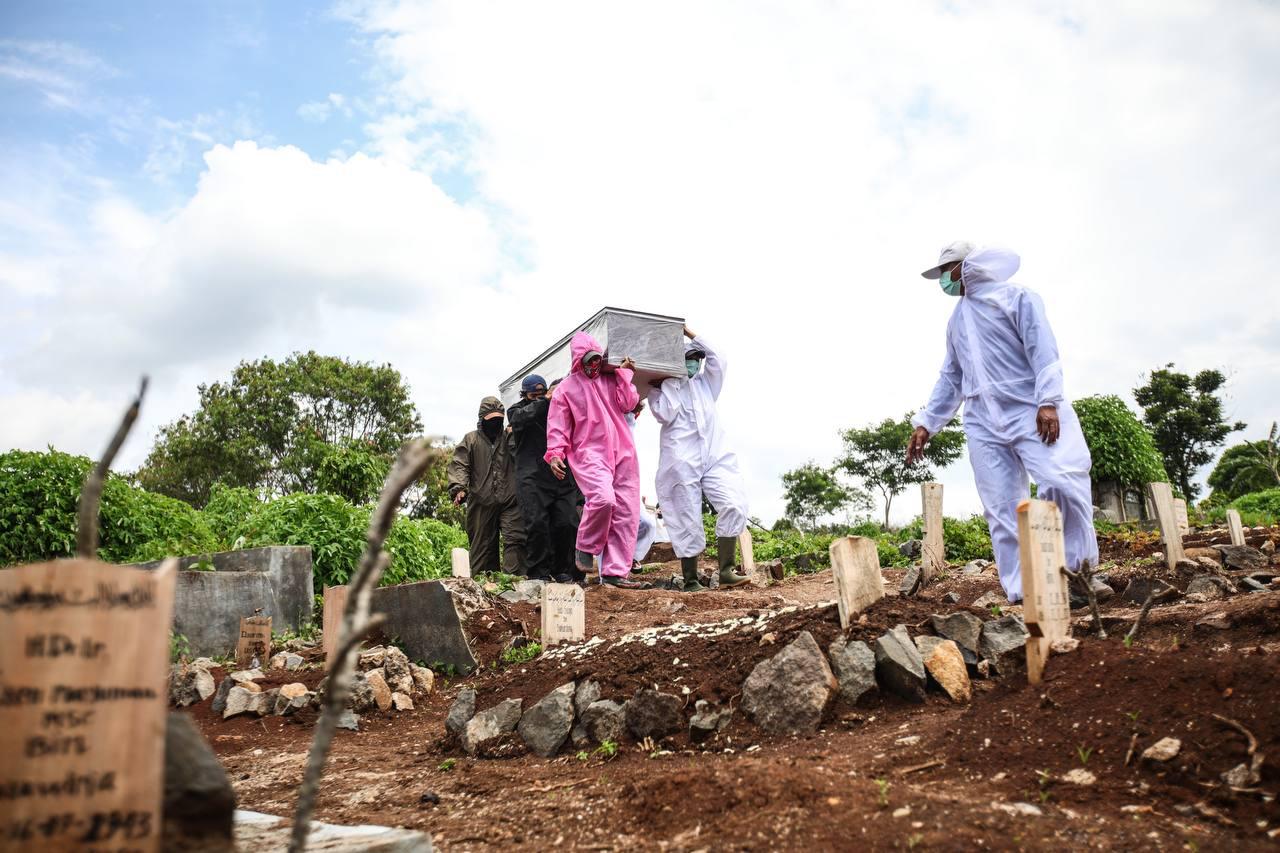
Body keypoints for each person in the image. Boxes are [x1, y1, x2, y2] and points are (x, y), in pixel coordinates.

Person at [906, 242, 1099, 603]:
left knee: (1061, 479)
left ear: (967, 266)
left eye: (947, 271)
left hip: (1030, 408)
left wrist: (1049, 401)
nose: (944, 281)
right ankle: (1027, 591)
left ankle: (1079, 572)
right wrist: (926, 423)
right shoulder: (957, 320)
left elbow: (1043, 350)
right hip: (982, 421)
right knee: (1002, 506)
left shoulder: (1017, 298)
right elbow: (951, 377)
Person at [647, 325, 750, 592]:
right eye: (689, 359)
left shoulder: (707, 385)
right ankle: (691, 579)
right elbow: (664, 414)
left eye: (696, 359)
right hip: (682, 459)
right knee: (686, 515)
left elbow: (720, 358)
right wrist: (667, 381)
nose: (694, 364)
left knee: (734, 503)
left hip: (715, 455)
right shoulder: (664, 388)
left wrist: (690, 333)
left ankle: (727, 570)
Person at [544, 331, 647, 589]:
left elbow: (629, 402)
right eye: (589, 361)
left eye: (597, 360)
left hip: (623, 451)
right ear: (579, 360)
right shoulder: (566, 390)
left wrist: (624, 374)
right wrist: (555, 454)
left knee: (626, 512)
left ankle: (614, 573)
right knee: (603, 499)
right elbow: (557, 426)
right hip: (589, 453)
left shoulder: (610, 379)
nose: (594, 366)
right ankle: (586, 545)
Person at [508, 374, 582, 583]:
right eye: (534, 395)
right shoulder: (517, 410)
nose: (539, 397)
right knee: (537, 524)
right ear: (525, 395)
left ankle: (562, 570)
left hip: (560, 476)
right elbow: (520, 419)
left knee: (566, 522)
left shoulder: (559, 408)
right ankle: (538, 572)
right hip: (531, 478)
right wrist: (545, 400)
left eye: (543, 393)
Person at [447, 396, 527, 576]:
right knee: (483, 548)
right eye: (491, 420)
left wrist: (514, 434)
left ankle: (514, 583)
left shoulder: (509, 437)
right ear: (482, 419)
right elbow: (460, 464)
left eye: (499, 419)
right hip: (481, 502)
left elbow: (523, 456)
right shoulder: (471, 440)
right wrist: (459, 488)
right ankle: (488, 588)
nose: (495, 423)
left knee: (516, 540)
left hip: (510, 500)